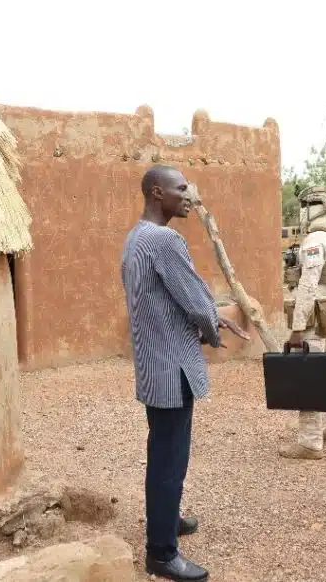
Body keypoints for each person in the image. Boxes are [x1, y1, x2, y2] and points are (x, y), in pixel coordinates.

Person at [121, 164, 249, 582]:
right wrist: (212, 327)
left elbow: (169, 298)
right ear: (157, 193)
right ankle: (161, 553)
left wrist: (211, 317)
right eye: (181, 190)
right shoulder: (164, 240)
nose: (188, 196)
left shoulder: (136, 236)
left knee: (163, 451)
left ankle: (167, 518)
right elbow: (195, 301)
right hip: (172, 366)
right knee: (169, 461)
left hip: (153, 363)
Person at [279, 185, 326, 460]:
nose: (303, 211)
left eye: (305, 206)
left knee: (309, 376)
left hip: (312, 317)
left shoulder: (314, 241)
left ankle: (309, 442)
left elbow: (308, 286)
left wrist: (297, 328)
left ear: (313, 207)